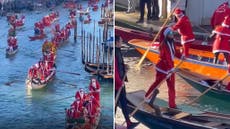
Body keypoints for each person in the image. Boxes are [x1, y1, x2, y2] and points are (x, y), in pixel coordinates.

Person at [145, 27, 177, 108]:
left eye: (172, 33)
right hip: (163, 67)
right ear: (166, 35)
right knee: (157, 83)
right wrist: (171, 68)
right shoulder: (164, 45)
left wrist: (183, 55)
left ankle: (172, 105)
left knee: (172, 86)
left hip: (170, 67)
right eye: (170, 34)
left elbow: (175, 52)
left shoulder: (172, 43)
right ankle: (147, 96)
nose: (172, 35)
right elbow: (167, 57)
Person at [115, 35, 139, 129]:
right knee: (116, 103)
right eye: (121, 41)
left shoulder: (118, 51)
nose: (122, 42)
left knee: (124, 102)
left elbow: (119, 65)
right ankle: (114, 123)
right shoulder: (115, 53)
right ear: (116, 42)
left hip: (121, 82)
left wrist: (125, 66)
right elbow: (115, 69)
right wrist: (118, 82)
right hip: (118, 84)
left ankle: (128, 123)